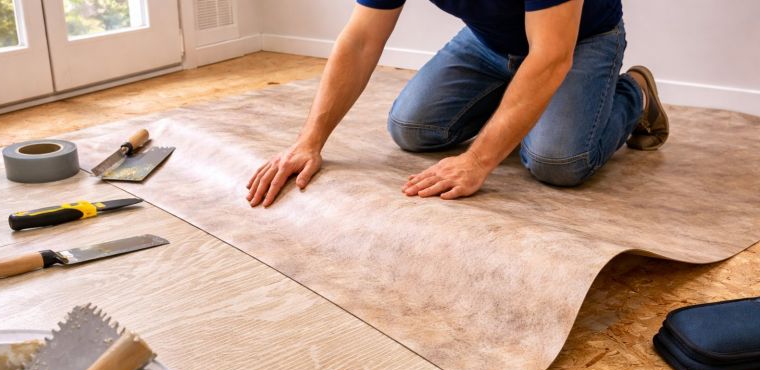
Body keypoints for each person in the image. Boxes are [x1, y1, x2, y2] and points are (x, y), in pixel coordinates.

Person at [246, 0, 669, 208]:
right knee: (411, 128)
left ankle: (635, 93)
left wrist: (477, 161)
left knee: (555, 161)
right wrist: (309, 141)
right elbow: (360, 40)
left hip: (578, 42)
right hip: (491, 43)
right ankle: (521, 96)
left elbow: (551, 56)